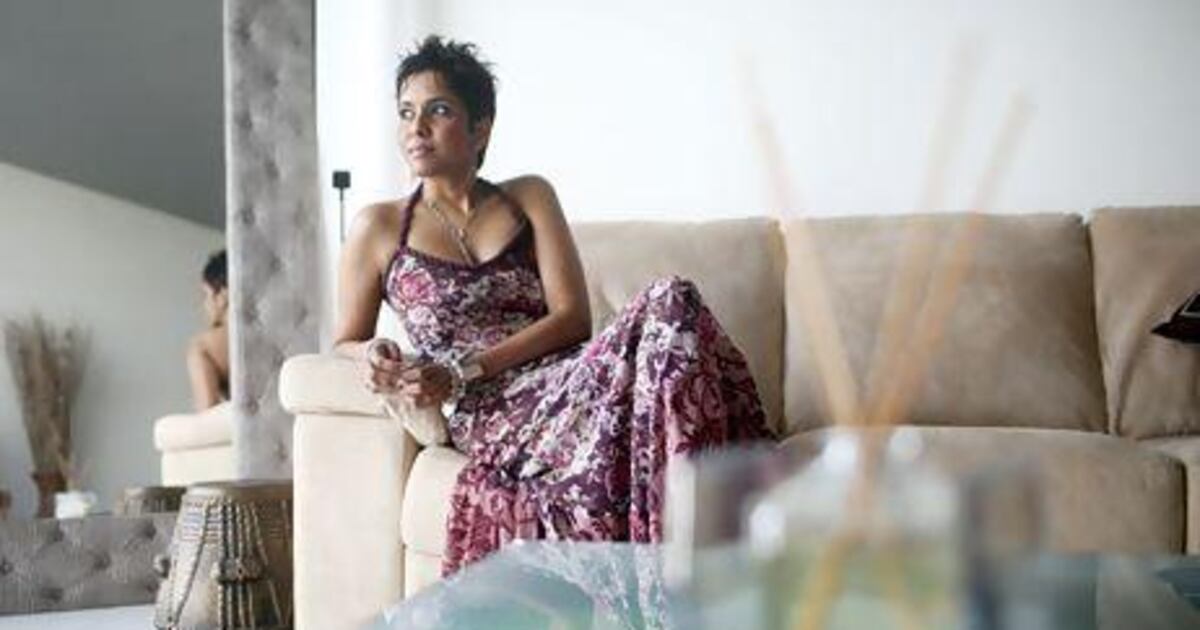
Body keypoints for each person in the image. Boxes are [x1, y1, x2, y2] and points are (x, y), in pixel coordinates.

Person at [334, 36, 775, 575]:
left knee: (672, 298)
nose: (416, 128)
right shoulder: (378, 227)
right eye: (406, 112)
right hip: (491, 410)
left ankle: (701, 550)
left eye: (438, 110)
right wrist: (375, 352)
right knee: (666, 306)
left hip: (569, 380)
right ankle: (692, 561)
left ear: (481, 128)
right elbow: (345, 340)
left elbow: (572, 319)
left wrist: (463, 368)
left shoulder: (528, 197)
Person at [188, 249, 230, 411]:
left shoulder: (204, 346)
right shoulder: (280, 336)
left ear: (222, 295)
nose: (205, 305)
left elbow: (207, 413)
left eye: (206, 295)